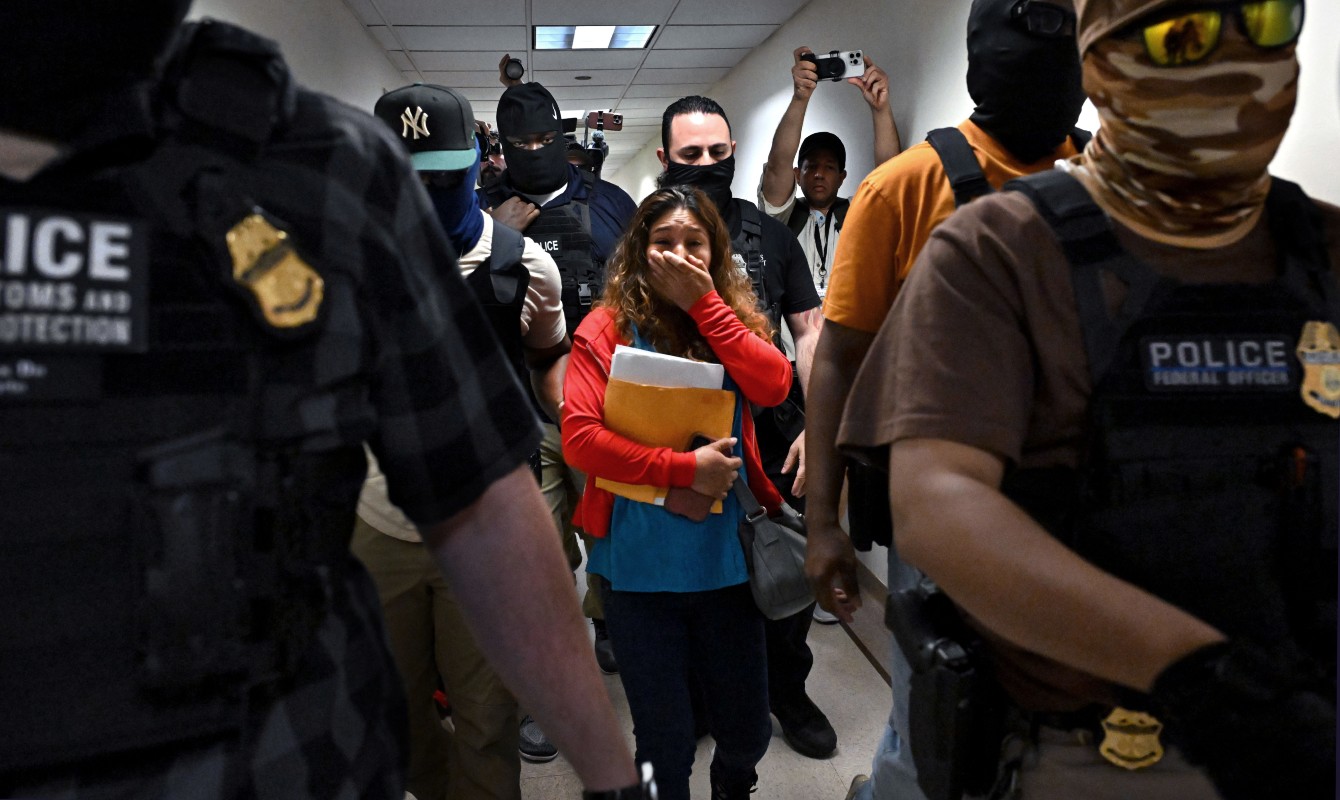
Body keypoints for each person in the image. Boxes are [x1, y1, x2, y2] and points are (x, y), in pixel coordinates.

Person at [0, 6, 652, 799]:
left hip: (290, 759)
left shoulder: (322, 166)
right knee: (415, 714)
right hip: (374, 536)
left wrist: (611, 775)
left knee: (481, 724)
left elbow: (480, 495)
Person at [838, 0, 1336, 798]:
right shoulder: (996, 245)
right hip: (1100, 748)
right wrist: (1204, 679)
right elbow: (930, 492)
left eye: (1271, 18)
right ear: (1100, 57)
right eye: (1186, 33)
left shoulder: (1320, 251)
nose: (1237, 55)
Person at [802, 1, 1087, 795]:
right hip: (944, 521)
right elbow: (836, 360)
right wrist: (823, 522)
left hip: (1079, 508)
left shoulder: (1106, 179)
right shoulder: (903, 187)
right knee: (939, 718)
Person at [357, 82, 573, 798]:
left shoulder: (526, 267)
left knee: (487, 717)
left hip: (487, 530)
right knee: (396, 714)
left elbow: (548, 363)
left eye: (442, 177)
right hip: (377, 526)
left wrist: (588, 424)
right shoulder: (344, 267)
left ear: (479, 162)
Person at [563, 186, 792, 800]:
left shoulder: (731, 318)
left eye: (695, 244)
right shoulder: (604, 327)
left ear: (715, 253)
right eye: (663, 243)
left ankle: (732, 789)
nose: (680, 255)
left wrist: (707, 305)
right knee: (663, 741)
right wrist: (681, 468)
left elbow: (773, 386)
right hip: (638, 570)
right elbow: (581, 440)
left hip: (727, 565)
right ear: (640, 252)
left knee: (745, 732)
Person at [657, 95, 836, 759]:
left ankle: (786, 690)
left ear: (733, 153)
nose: (707, 164)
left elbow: (810, 334)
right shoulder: (651, 239)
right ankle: (706, 693)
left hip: (770, 427)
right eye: (691, 155)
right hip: (683, 435)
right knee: (699, 580)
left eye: (718, 153)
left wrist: (818, 427)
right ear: (665, 161)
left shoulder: (770, 235)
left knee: (783, 570)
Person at [479, 70, 638, 679]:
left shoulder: (607, 204)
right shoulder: (482, 211)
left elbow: (642, 296)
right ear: (503, 150)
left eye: (546, 140)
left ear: (561, 134)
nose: (536, 153)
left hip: (599, 404)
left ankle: (608, 627)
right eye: (521, 146)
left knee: (609, 532)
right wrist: (499, 240)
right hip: (518, 412)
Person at [758, 46, 902, 296]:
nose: (818, 174)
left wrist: (880, 109)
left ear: (841, 177)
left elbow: (892, 177)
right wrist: (800, 97)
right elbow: (777, 163)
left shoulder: (857, 215)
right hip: (790, 334)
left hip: (848, 332)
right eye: (810, 166)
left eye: (829, 167)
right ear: (797, 175)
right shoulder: (781, 218)